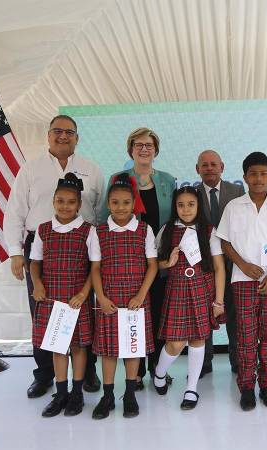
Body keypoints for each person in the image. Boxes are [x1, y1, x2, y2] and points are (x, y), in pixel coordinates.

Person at [4, 114, 103, 399]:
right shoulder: (30, 169)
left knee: (84, 310)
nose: (63, 136)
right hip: (40, 245)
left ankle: (89, 371)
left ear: (77, 137)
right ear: (48, 135)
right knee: (43, 310)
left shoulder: (91, 169)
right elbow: (15, 212)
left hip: (81, 246)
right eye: (57, 131)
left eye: (69, 132)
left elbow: (97, 211)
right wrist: (15, 252)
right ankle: (46, 374)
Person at [217, 152, 267, 411]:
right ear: (245, 177)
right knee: (246, 335)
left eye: (263, 173)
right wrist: (242, 264)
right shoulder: (233, 206)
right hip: (242, 279)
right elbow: (225, 241)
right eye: (253, 174)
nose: (259, 178)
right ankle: (247, 387)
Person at [104, 127, 176, 390]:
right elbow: (105, 219)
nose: (144, 149)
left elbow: (173, 221)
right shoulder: (118, 178)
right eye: (138, 145)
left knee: (158, 315)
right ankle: (133, 375)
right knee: (131, 317)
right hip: (126, 264)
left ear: (156, 150)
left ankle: (158, 371)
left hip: (160, 263)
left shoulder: (168, 180)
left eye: (149, 145)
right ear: (130, 149)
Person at [89, 173, 158, 419]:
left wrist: (141, 295)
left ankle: (129, 394)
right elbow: (95, 268)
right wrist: (101, 297)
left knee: (132, 347)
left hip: (135, 300)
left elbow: (152, 265)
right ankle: (107, 396)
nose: (121, 207)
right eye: (115, 202)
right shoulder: (99, 232)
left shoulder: (144, 230)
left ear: (133, 204)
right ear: (108, 204)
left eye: (126, 203)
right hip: (109, 299)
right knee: (108, 350)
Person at [152, 186, 226, 409]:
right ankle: (159, 373)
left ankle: (191, 388)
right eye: (181, 205)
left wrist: (219, 301)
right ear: (175, 207)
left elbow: (219, 268)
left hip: (203, 291)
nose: (186, 209)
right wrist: (168, 263)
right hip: (177, 291)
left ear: (198, 206)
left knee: (198, 339)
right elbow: (154, 263)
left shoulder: (208, 230)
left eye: (191, 204)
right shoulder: (167, 230)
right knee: (174, 343)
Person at [29, 173, 93, 417]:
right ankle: (61, 392)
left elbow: (94, 267)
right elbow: (35, 262)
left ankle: (77, 393)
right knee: (58, 346)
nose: (65, 206)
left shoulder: (88, 231)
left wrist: (85, 293)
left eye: (70, 202)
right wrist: (37, 283)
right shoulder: (44, 230)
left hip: (77, 298)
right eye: (60, 201)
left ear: (78, 205)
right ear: (54, 201)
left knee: (77, 346)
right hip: (51, 297)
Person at [195, 149, 244, 375]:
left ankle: (237, 360)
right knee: (205, 315)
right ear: (197, 170)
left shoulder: (237, 191)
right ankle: (204, 363)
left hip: (233, 263)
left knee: (235, 315)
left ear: (222, 167)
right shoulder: (191, 194)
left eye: (214, 164)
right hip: (203, 267)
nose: (209, 168)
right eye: (204, 165)